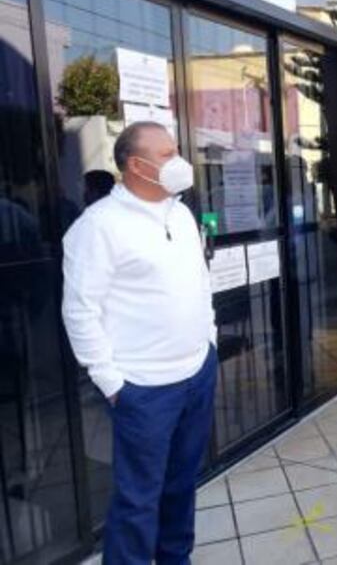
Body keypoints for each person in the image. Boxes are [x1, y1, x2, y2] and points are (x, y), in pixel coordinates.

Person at [62, 122, 218, 563]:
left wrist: (208, 340)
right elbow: (79, 311)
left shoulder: (181, 213)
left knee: (181, 486)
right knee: (137, 501)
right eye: (168, 154)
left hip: (196, 373)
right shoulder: (98, 227)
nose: (179, 161)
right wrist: (113, 383)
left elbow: (199, 281)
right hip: (144, 388)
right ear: (136, 165)